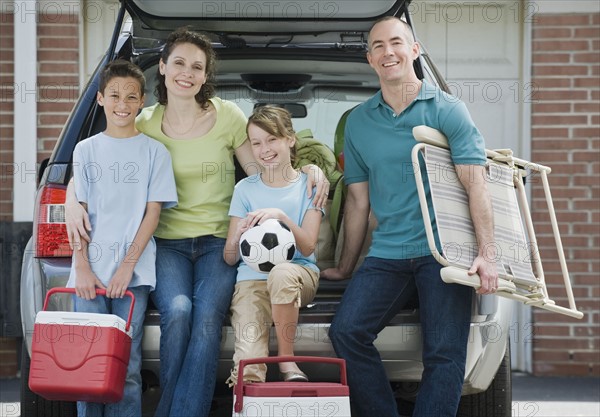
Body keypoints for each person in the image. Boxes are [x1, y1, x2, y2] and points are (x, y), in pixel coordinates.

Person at [65, 29, 329, 417]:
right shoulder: (147, 120)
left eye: (197, 67)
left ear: (206, 76)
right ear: (162, 67)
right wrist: (72, 197)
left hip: (219, 242)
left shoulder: (228, 116)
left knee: (206, 317)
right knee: (178, 311)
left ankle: (181, 412)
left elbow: (264, 169)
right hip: (165, 243)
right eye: (178, 63)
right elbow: (99, 156)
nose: (186, 73)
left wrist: (310, 168)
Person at [321, 17, 499, 417]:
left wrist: (487, 253)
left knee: (444, 353)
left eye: (397, 42)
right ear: (370, 58)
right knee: (347, 332)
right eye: (379, 46)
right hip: (388, 253)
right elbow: (357, 201)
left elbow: (477, 185)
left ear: (414, 50)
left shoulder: (448, 109)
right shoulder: (360, 122)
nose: (389, 52)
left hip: (446, 254)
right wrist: (346, 266)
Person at [67, 59, 177, 417]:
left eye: (131, 97)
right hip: (89, 276)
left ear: (142, 101)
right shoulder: (85, 150)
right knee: (88, 364)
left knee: (125, 366)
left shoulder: (154, 152)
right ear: (100, 98)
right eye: (114, 95)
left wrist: (127, 268)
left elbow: (153, 215)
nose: (122, 104)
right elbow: (78, 216)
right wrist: (81, 266)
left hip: (132, 277)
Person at [223, 106, 323, 387]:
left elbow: (308, 246)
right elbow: (230, 258)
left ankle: (286, 358)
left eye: (272, 139)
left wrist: (282, 217)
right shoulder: (244, 189)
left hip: (299, 275)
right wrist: (238, 235)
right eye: (256, 143)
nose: (264, 149)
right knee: (249, 364)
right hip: (251, 283)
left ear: (290, 139)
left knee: (280, 274)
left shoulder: (309, 185)